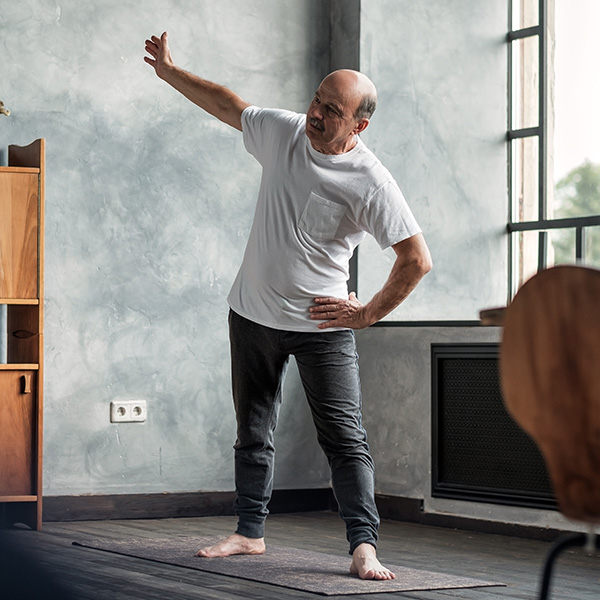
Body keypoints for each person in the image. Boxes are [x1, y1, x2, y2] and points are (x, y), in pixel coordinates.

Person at [144, 32, 432, 581]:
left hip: (321, 329)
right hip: (251, 314)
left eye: (332, 109)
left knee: (344, 438)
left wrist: (367, 313)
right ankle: (249, 533)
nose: (316, 113)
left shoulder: (371, 182)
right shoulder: (285, 132)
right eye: (317, 99)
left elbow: (416, 259)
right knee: (252, 429)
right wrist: (169, 73)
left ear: (359, 126)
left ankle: (364, 546)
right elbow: (229, 103)